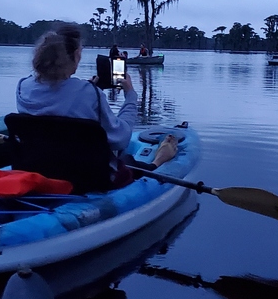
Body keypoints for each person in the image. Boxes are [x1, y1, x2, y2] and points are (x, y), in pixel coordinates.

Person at [16, 23, 176, 188]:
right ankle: (158, 162)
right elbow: (121, 139)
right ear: (76, 54)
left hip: (39, 169)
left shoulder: (23, 87)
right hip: (87, 177)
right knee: (127, 162)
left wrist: (88, 91)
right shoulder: (88, 93)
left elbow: (55, 107)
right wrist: (130, 95)